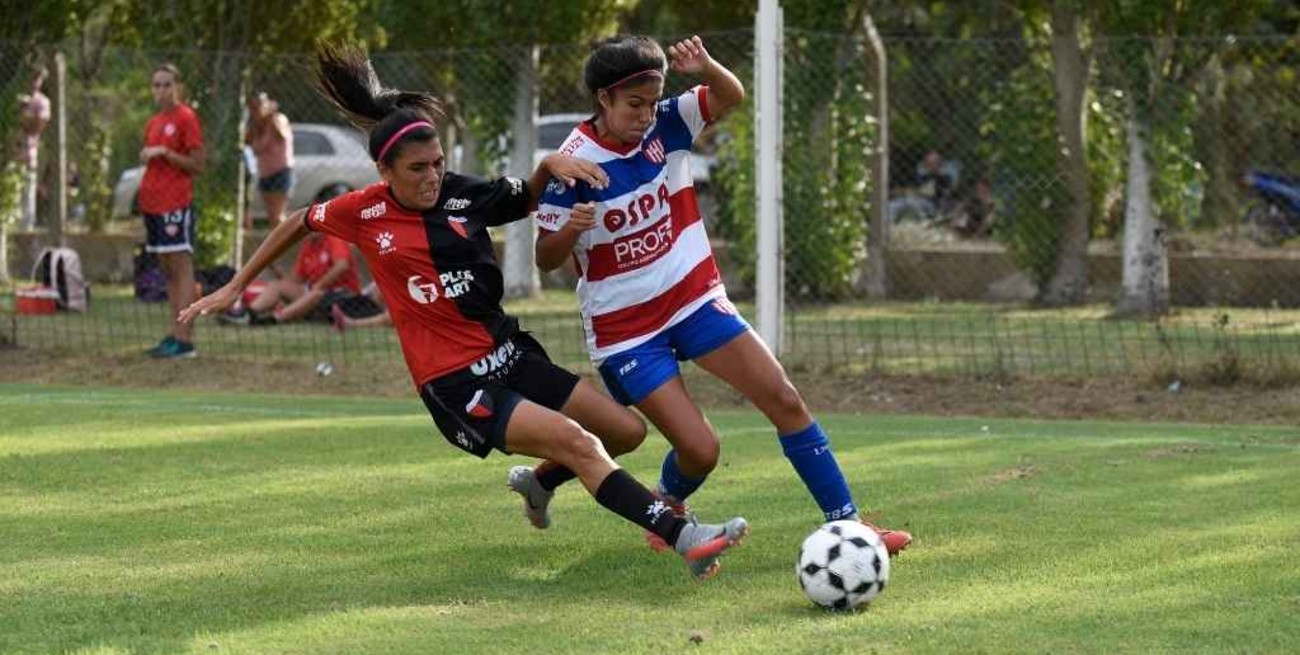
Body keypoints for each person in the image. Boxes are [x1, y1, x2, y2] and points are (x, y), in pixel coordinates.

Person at [179, 43, 748, 580]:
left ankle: (540, 485)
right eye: (417, 169)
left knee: (624, 431)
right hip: (456, 382)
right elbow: (297, 221)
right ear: (384, 173)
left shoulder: (459, 193)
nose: (431, 178)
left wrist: (551, 168)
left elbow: (522, 199)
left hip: (509, 353)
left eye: (437, 164)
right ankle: (685, 538)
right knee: (579, 443)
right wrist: (237, 285)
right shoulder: (361, 211)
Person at [522, 34, 912, 555]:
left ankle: (850, 526)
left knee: (785, 400)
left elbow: (730, 96)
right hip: (627, 331)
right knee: (702, 451)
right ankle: (561, 483)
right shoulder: (572, 163)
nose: (644, 114)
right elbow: (545, 259)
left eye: (650, 101)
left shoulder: (667, 121)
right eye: (632, 104)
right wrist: (571, 228)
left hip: (694, 299)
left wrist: (706, 66)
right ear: (603, 100)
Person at [140, 63, 205, 359]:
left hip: (175, 204)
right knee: (167, 273)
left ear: (178, 87)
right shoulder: (154, 121)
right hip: (152, 204)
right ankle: (173, 334)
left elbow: (197, 164)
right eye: (157, 85)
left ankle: (185, 340)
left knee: (181, 269)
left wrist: (166, 153)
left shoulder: (186, 118)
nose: (161, 90)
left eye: (167, 84)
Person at [219, 229, 360, 325]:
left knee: (315, 293)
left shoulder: (333, 238)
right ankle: (248, 314)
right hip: (315, 296)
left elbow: (342, 266)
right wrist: (273, 268)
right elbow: (294, 281)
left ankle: (273, 320)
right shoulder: (308, 246)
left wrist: (320, 284)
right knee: (276, 286)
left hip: (344, 296)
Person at [244, 92, 295, 228]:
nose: (257, 111)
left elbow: (281, 136)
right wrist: (255, 124)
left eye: (259, 106)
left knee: (277, 216)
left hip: (281, 172)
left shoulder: (278, 119)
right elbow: (246, 142)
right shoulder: (256, 128)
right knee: (271, 217)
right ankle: (281, 244)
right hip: (265, 174)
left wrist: (271, 118)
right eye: (253, 108)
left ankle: (287, 242)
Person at [16, 64, 51, 231]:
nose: (33, 81)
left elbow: (37, 127)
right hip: (9, 152)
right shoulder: (13, 97)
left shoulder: (42, 102)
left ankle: (25, 231)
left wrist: (22, 113)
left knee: (27, 194)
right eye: (31, 77)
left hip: (29, 152)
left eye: (37, 78)